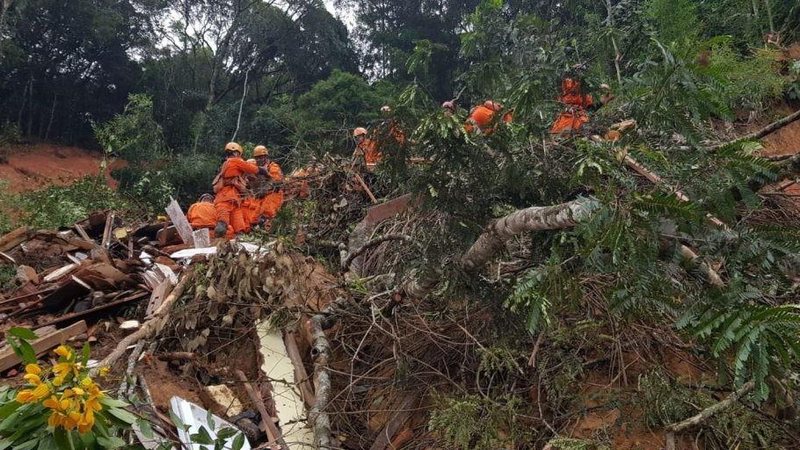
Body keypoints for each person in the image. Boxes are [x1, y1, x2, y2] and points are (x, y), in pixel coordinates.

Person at [212, 142, 268, 238]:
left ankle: (239, 249)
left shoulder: (226, 165)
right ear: (236, 153)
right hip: (226, 198)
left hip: (234, 201)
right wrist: (265, 172)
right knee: (222, 226)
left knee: (240, 230)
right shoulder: (235, 161)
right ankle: (216, 248)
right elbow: (252, 169)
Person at [253, 145, 284, 221]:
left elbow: (276, 181)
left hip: (272, 193)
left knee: (267, 207)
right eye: (257, 158)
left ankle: (265, 220)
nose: (259, 160)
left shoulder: (273, 167)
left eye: (261, 157)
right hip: (258, 196)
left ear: (266, 157)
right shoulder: (254, 167)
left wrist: (264, 190)